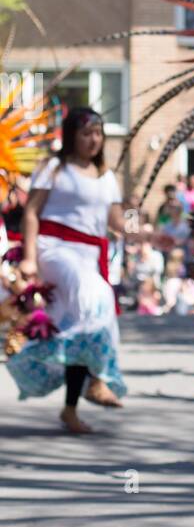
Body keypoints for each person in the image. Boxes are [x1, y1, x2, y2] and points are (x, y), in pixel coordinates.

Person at [9, 107, 126, 433]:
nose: (94, 139)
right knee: (97, 297)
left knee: (86, 322)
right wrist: (29, 258)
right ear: (72, 134)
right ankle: (99, 378)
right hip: (55, 250)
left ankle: (72, 407)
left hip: (90, 256)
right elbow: (31, 213)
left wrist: (148, 233)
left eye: (99, 133)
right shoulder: (54, 167)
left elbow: (118, 224)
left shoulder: (107, 176)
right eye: (87, 132)